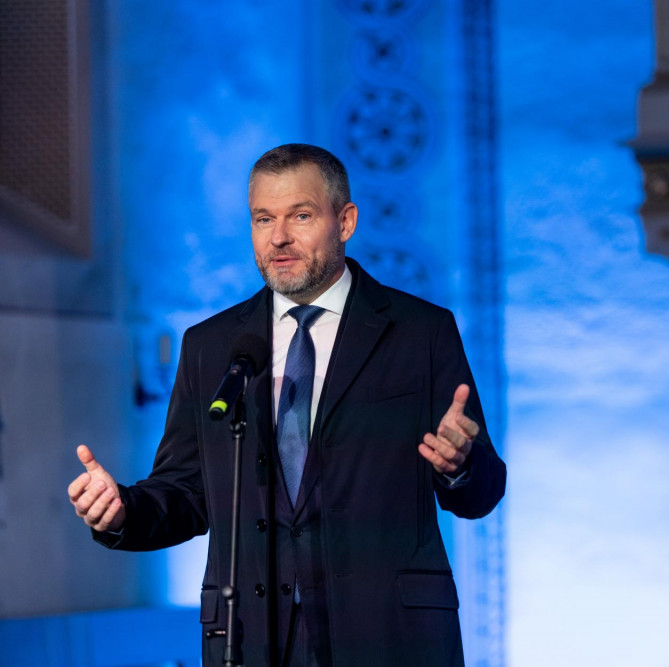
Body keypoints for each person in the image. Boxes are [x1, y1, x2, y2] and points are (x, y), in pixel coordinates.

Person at [66, 143, 506, 666]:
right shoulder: (211, 346)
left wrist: (459, 467)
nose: (278, 237)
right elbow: (186, 492)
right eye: (262, 218)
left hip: (389, 636)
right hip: (253, 640)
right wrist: (120, 511)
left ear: (345, 222)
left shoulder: (420, 332)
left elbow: (482, 492)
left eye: (300, 215)